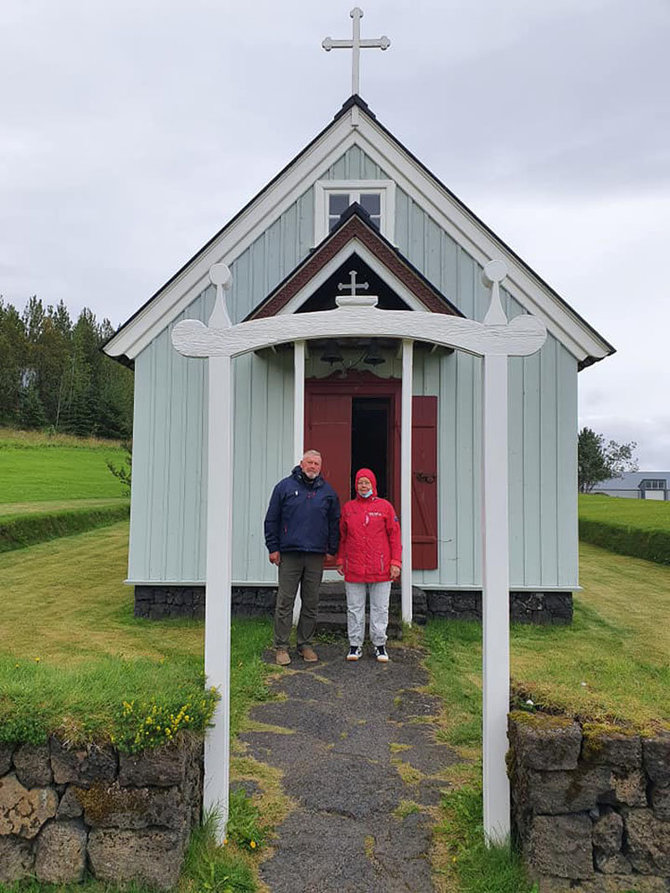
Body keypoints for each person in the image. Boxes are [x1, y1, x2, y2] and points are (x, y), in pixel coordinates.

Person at [264, 449, 340, 666]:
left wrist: (331, 549)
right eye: (309, 462)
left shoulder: (328, 493)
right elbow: (272, 520)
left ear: (320, 466)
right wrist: (273, 547)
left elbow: (334, 523)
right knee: (285, 601)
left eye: (317, 463)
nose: (313, 466)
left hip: (315, 555)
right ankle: (281, 647)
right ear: (301, 463)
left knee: (311, 602)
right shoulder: (284, 487)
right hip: (289, 554)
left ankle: (305, 644)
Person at [336, 468, 401, 662]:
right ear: (355, 485)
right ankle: (355, 645)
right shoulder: (349, 508)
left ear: (373, 484)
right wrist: (340, 559)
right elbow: (342, 537)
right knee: (354, 607)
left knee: (380, 608)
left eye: (366, 482)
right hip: (354, 567)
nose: (363, 486)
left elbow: (394, 536)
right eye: (360, 482)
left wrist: (395, 562)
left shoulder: (385, 507)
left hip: (380, 568)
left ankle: (379, 645)